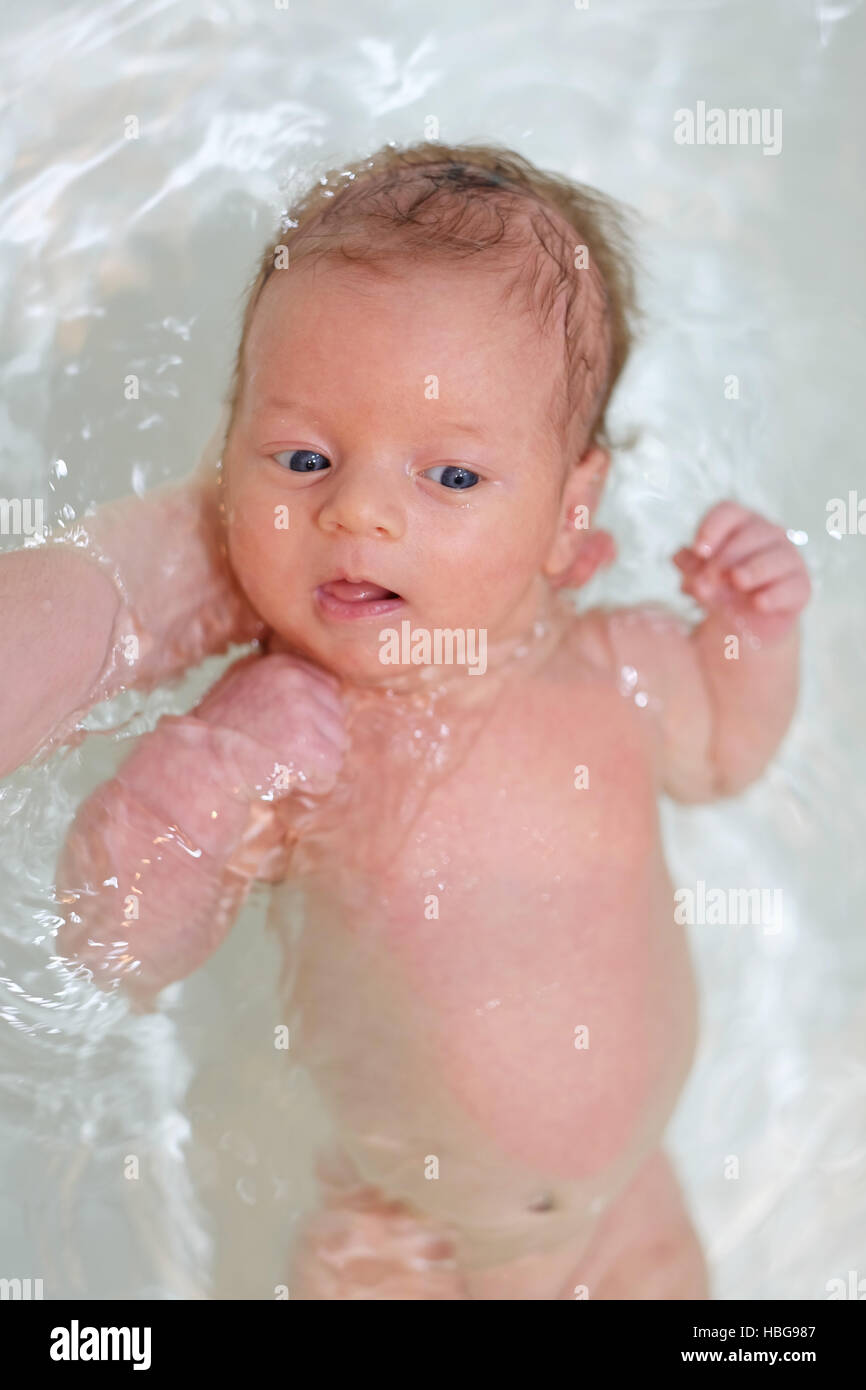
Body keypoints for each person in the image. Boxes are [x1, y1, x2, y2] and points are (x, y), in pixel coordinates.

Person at [51, 141, 811, 1299]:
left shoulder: (614, 666)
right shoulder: (290, 733)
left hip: (628, 1210)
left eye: (449, 477)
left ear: (569, 514)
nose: (358, 510)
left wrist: (750, 637)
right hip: (412, 1241)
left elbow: (721, 751)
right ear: (228, 458)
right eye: (302, 457)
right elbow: (119, 944)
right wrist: (195, 782)